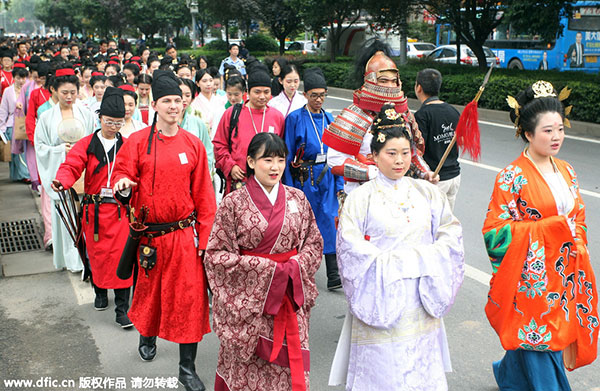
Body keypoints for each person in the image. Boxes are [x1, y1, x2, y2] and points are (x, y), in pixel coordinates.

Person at [331, 104, 464, 390]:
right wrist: (392, 264)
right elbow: (349, 247)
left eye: (405, 153)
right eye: (391, 153)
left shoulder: (425, 191)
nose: (399, 160)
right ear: (375, 156)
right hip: (381, 291)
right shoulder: (361, 197)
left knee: (420, 366)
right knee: (384, 368)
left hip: (420, 295)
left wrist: (430, 256)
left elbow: (450, 232)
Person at [483, 81, 598, 390]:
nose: (556, 137)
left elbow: (579, 217)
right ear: (528, 133)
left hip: (565, 270)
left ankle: (510, 374)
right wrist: (547, 231)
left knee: (551, 333)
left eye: (560, 129)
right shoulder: (512, 176)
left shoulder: (567, 170)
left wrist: (577, 244)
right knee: (541, 338)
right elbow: (494, 233)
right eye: (547, 131)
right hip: (531, 277)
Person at [112, 70, 216, 391]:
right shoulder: (136, 143)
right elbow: (121, 177)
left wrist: (206, 239)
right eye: (166, 101)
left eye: (178, 100)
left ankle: (187, 368)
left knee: (189, 300)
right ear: (153, 104)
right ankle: (147, 333)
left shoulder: (194, 145)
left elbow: (204, 197)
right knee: (150, 294)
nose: (174, 106)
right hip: (149, 239)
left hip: (184, 237)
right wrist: (125, 187)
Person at [205, 132, 323, 391]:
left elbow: (314, 243)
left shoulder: (297, 199)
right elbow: (216, 256)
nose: (275, 167)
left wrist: (294, 266)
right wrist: (268, 270)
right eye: (266, 160)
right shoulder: (233, 203)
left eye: (280, 160)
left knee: (288, 370)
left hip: (290, 294)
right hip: (250, 305)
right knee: (248, 372)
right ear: (249, 161)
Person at [52, 87, 133, 327]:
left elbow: (135, 173)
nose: (114, 127)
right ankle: (99, 291)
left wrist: (129, 187)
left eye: (119, 123)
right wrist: (61, 180)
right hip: (94, 212)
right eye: (109, 121)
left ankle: (122, 310)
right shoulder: (87, 144)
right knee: (96, 256)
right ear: (99, 118)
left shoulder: (128, 146)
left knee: (122, 259)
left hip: (119, 212)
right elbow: (71, 166)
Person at [322, 39, 435, 195]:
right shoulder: (354, 114)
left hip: (397, 192)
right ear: (370, 81)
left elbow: (412, 153)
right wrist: (372, 172)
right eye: (383, 81)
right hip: (362, 194)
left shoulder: (404, 115)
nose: (389, 86)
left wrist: (425, 172)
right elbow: (335, 161)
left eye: (393, 81)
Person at [283, 67, 343, 290]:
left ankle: (333, 273)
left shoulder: (330, 118)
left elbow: (337, 155)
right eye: (314, 95)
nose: (319, 99)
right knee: (304, 225)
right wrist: (289, 190)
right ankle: (301, 272)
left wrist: (339, 185)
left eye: (322, 95)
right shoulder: (295, 119)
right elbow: (288, 152)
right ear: (305, 95)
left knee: (329, 219)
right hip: (304, 178)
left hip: (326, 176)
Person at [34, 66, 96, 272]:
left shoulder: (86, 114)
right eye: (64, 92)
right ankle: (70, 260)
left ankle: (85, 258)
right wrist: (61, 150)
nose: (69, 97)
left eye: (73, 92)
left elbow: (93, 139)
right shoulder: (46, 117)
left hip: (83, 172)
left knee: (84, 216)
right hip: (59, 170)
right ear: (54, 90)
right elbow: (40, 146)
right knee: (65, 218)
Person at [213, 67, 285, 194]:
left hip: (269, 184)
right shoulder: (232, 114)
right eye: (257, 92)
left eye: (266, 92)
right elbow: (219, 144)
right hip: (240, 181)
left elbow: (283, 150)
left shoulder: (277, 117)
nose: (262, 96)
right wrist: (230, 166)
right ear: (247, 92)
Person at [414, 68, 461, 210]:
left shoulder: (422, 115)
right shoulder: (453, 111)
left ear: (419, 87)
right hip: (454, 177)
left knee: (431, 224)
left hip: (435, 178)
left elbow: (418, 150)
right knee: (445, 223)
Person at [177, 77, 214, 176]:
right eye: (180, 95)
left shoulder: (198, 121)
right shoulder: (165, 122)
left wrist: (202, 173)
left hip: (196, 174)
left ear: (193, 97)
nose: (183, 99)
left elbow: (208, 150)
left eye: (188, 95)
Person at [0, 63, 30, 182]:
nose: (21, 80)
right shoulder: (8, 91)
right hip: (12, 123)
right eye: (18, 78)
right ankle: (21, 175)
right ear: (14, 78)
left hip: (27, 122)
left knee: (26, 150)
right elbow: (3, 110)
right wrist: (1, 127)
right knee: (16, 151)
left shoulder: (29, 90)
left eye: (23, 78)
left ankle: (25, 174)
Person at [190, 68, 226, 137]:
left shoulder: (221, 100)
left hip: (220, 136)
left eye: (211, 80)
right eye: (204, 81)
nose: (208, 84)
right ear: (197, 83)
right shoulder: (193, 104)